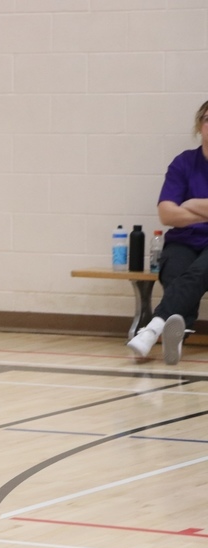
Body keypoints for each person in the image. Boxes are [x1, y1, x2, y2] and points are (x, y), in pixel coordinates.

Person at [126, 100, 208, 365]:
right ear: (199, 126)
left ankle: (153, 328)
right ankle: (177, 333)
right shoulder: (184, 163)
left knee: (198, 271)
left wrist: (193, 204)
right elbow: (167, 214)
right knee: (174, 270)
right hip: (184, 240)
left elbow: (179, 209)